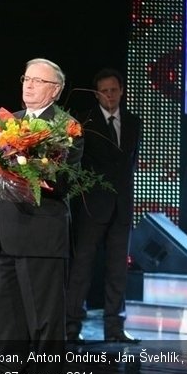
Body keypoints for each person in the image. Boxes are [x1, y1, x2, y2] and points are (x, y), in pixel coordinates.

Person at [0, 58, 82, 374]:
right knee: (7, 313)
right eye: (26, 78)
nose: (28, 85)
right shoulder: (8, 123)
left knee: (44, 315)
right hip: (4, 230)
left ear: (55, 89)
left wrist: (30, 167)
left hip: (41, 232)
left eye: (38, 81)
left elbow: (65, 180)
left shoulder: (67, 127)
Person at [65, 68, 142, 344]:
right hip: (91, 207)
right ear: (97, 94)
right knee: (82, 267)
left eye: (113, 90)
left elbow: (128, 164)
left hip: (121, 207)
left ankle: (115, 328)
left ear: (121, 91)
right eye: (103, 91)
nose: (109, 95)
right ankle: (72, 327)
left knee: (118, 269)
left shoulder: (134, 122)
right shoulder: (84, 122)